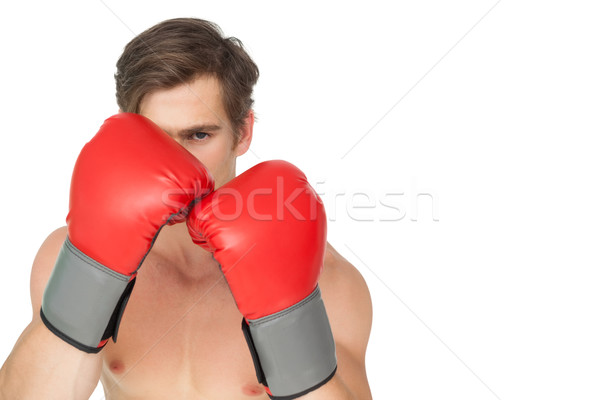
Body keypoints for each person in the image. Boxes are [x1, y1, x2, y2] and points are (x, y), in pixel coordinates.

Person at [0, 18, 372, 400]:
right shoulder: (71, 256)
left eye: (199, 135)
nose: (176, 163)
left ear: (243, 132)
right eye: (156, 137)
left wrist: (288, 321)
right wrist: (89, 273)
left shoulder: (326, 283)